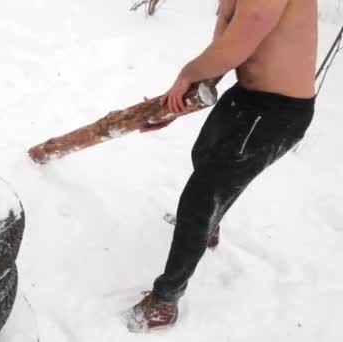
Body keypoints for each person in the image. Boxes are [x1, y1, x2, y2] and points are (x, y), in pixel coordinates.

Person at [129, 0, 317, 331]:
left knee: (202, 194)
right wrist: (174, 104)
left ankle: (165, 299)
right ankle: (206, 226)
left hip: (279, 110)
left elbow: (249, 28)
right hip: (246, 96)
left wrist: (187, 73)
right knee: (204, 156)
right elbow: (227, 46)